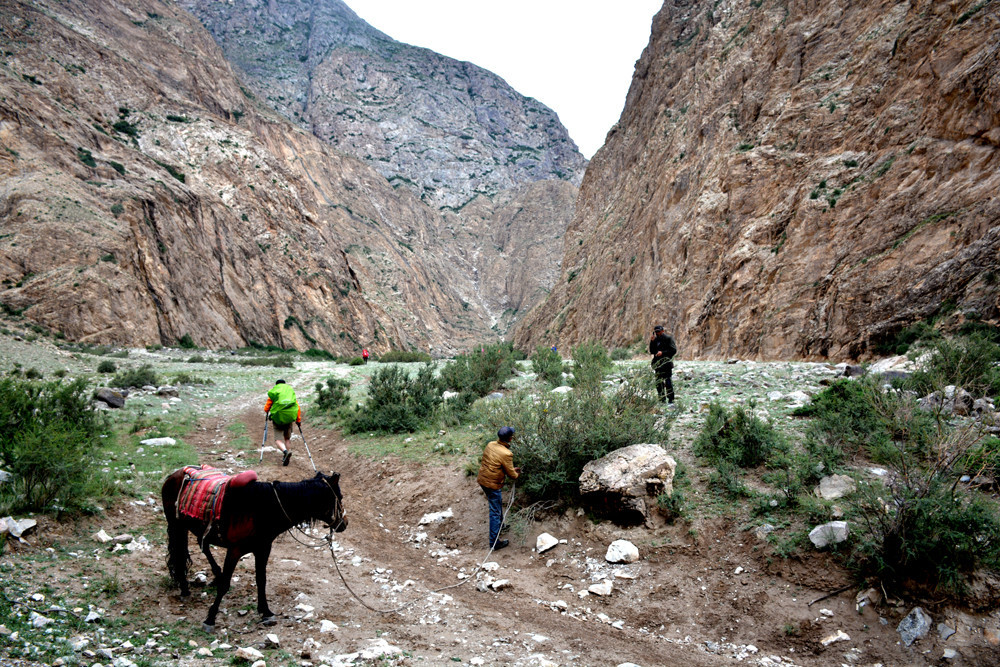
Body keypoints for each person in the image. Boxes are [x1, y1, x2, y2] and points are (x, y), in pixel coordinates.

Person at [476, 426, 520, 550]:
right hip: (493, 484)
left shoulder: (490, 444)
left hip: (483, 480)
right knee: (495, 512)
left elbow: (495, 464)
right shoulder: (507, 453)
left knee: (496, 504)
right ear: (510, 439)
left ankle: (501, 526)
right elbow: (512, 475)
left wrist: (511, 470)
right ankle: (494, 543)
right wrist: (516, 473)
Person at [264, 379, 301, 466]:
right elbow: (297, 406)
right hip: (289, 418)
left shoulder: (275, 392)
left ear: (276, 384)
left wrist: (268, 410)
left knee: (278, 439)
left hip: (278, 419)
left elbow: (266, 408)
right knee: (287, 438)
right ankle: (287, 453)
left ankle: (285, 452)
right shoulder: (290, 392)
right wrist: (298, 420)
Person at [649, 325, 677, 404]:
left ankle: (671, 399)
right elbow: (652, 351)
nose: (657, 333)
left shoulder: (668, 338)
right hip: (658, 365)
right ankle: (662, 399)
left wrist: (663, 353)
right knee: (659, 383)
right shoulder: (655, 340)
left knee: (668, 382)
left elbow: (673, 350)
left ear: (662, 331)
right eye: (656, 332)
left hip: (666, 363)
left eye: (658, 331)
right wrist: (652, 342)